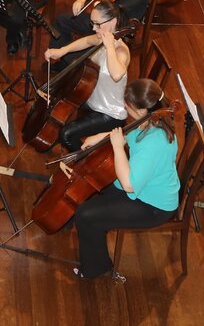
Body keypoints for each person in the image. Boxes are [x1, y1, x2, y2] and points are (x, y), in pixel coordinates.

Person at [71, 78, 179, 279]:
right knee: (92, 182)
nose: (124, 107)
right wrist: (101, 137)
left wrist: (118, 147)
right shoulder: (150, 122)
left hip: (152, 206)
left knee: (86, 215)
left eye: (128, 105)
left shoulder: (155, 142)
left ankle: (96, 267)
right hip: (140, 185)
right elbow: (127, 136)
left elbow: (129, 185)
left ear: (142, 110)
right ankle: (79, 225)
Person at [43, 2, 130, 151]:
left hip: (109, 114)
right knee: (58, 100)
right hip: (92, 98)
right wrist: (62, 51)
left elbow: (116, 74)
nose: (94, 28)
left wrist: (109, 46)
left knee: (66, 135)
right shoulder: (101, 37)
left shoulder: (121, 51)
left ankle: (83, 159)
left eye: (97, 24)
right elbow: (87, 40)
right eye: (92, 23)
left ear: (113, 22)